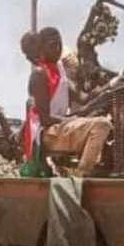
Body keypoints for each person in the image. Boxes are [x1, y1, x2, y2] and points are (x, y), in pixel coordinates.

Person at [22, 27, 112, 177]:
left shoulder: (59, 70)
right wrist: (71, 120)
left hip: (59, 128)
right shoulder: (39, 74)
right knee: (101, 125)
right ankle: (80, 177)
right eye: (53, 45)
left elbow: (83, 98)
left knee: (106, 122)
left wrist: (110, 86)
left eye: (59, 44)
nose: (57, 49)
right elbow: (44, 119)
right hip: (47, 134)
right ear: (42, 48)